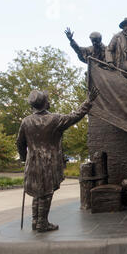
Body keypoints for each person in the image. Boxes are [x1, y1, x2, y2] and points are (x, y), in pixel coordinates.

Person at [16, 88, 99, 232]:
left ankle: (35, 220)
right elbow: (76, 116)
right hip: (48, 161)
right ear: (45, 103)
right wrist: (88, 101)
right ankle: (42, 223)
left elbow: (20, 143)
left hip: (32, 162)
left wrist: (24, 158)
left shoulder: (26, 121)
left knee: (37, 191)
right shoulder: (55, 119)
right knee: (46, 192)